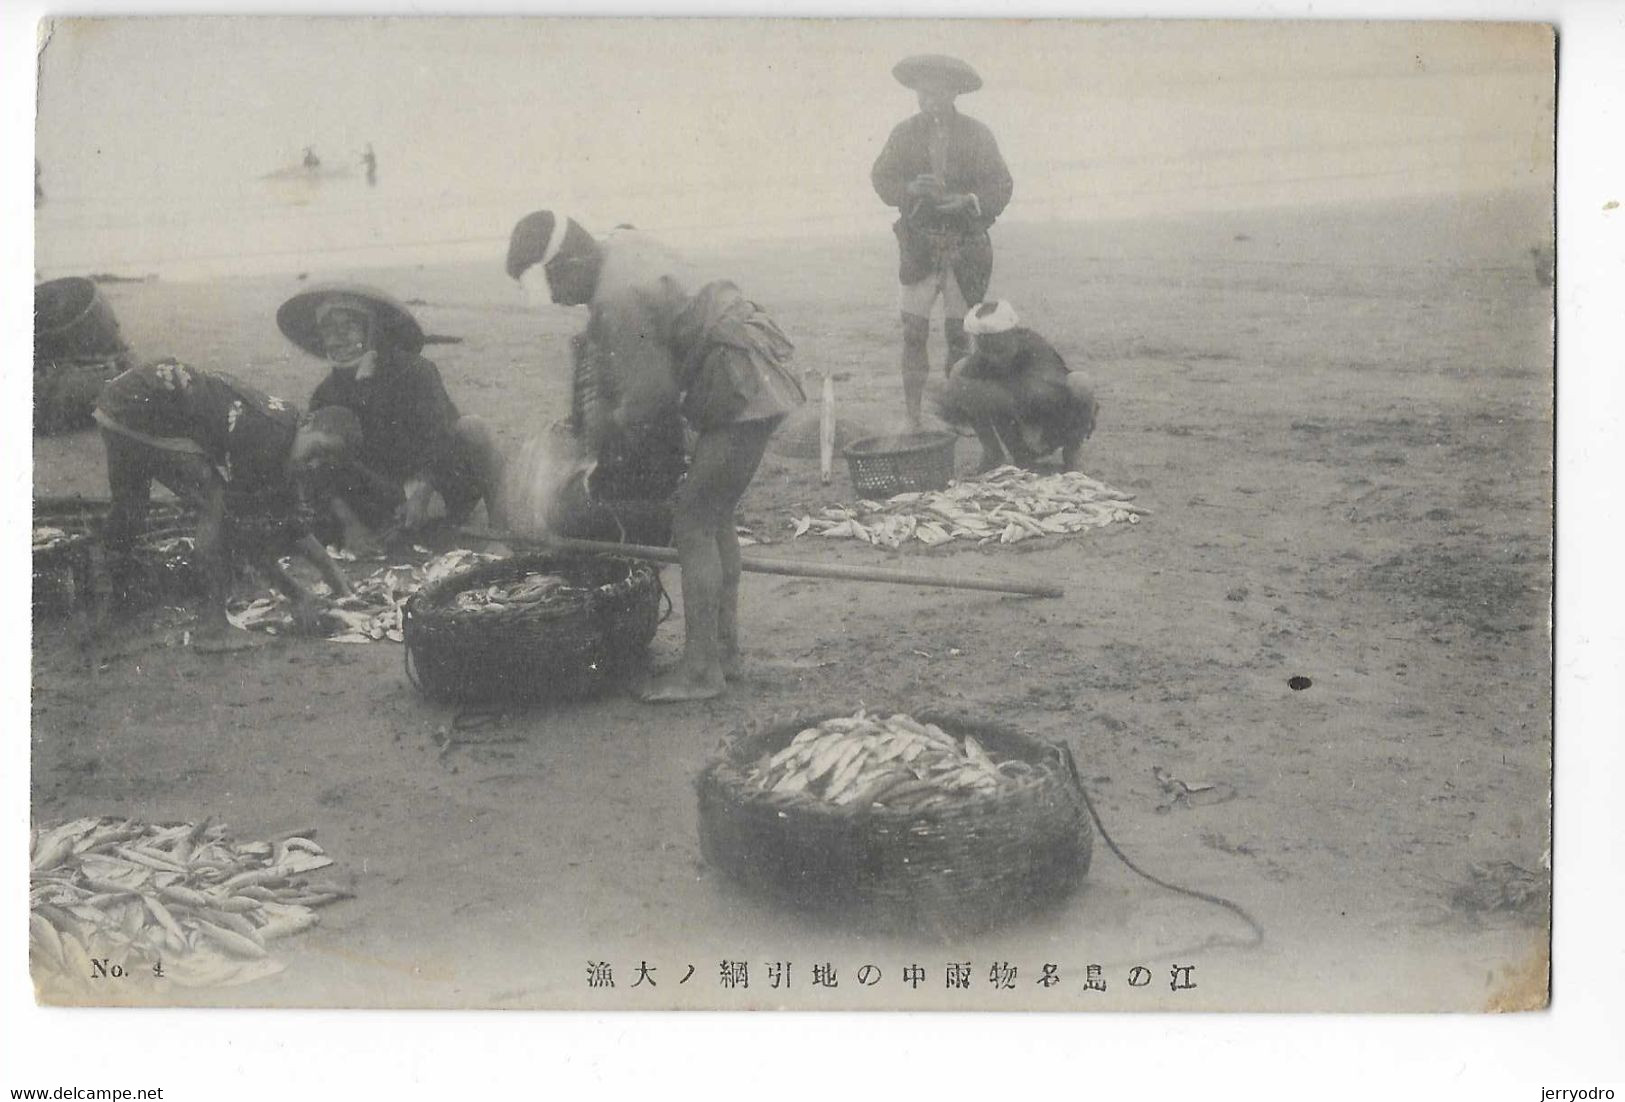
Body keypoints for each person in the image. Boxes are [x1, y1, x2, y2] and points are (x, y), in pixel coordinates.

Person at [506, 211, 805, 703]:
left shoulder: (617, 299)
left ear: (573, 261)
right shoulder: (622, 244)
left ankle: (701, 669)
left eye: (553, 285)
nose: (559, 300)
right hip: (746, 357)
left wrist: (609, 428)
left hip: (737, 376)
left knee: (692, 522)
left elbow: (653, 397)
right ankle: (723, 652)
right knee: (715, 517)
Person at [94, 359, 362, 653]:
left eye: (324, 465)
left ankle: (116, 603)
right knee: (216, 505)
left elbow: (290, 517)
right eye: (318, 451)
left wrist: (333, 574)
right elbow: (244, 535)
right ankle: (213, 625)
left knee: (130, 505)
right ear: (309, 422)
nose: (314, 465)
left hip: (118, 403)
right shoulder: (266, 439)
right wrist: (297, 594)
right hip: (148, 404)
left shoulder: (287, 432)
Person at [277, 284, 507, 554]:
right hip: (383, 497)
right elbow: (324, 468)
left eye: (349, 327)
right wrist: (352, 526)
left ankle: (499, 534)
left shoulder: (416, 371)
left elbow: (441, 436)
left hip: (437, 483)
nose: (339, 339)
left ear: (371, 330)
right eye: (329, 330)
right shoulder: (325, 395)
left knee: (474, 428)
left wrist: (422, 493)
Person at [872, 54, 1013, 430]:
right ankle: (914, 417)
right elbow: (881, 179)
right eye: (923, 92)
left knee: (959, 335)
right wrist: (908, 189)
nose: (929, 99)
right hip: (918, 247)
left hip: (966, 246)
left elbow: (1001, 184)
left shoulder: (978, 134)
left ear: (954, 93)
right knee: (913, 331)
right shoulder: (903, 133)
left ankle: (955, 416)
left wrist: (969, 200)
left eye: (937, 92)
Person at [937, 300, 1099, 473]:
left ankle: (1072, 455)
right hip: (1015, 426)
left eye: (998, 346)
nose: (992, 356)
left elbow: (1043, 395)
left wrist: (995, 394)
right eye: (984, 345)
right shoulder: (982, 358)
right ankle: (992, 453)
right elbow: (956, 393)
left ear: (1012, 334)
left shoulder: (1035, 347)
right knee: (959, 373)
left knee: (1081, 383)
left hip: (1050, 423)